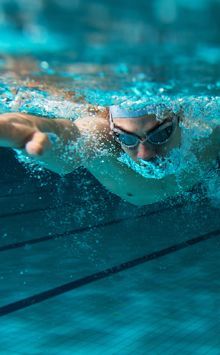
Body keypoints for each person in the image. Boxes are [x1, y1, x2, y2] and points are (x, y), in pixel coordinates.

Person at [0, 101, 219, 206]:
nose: (144, 154)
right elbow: (73, 140)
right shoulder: (101, 132)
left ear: (180, 118)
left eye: (160, 135)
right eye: (126, 138)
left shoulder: (209, 127)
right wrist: (34, 130)